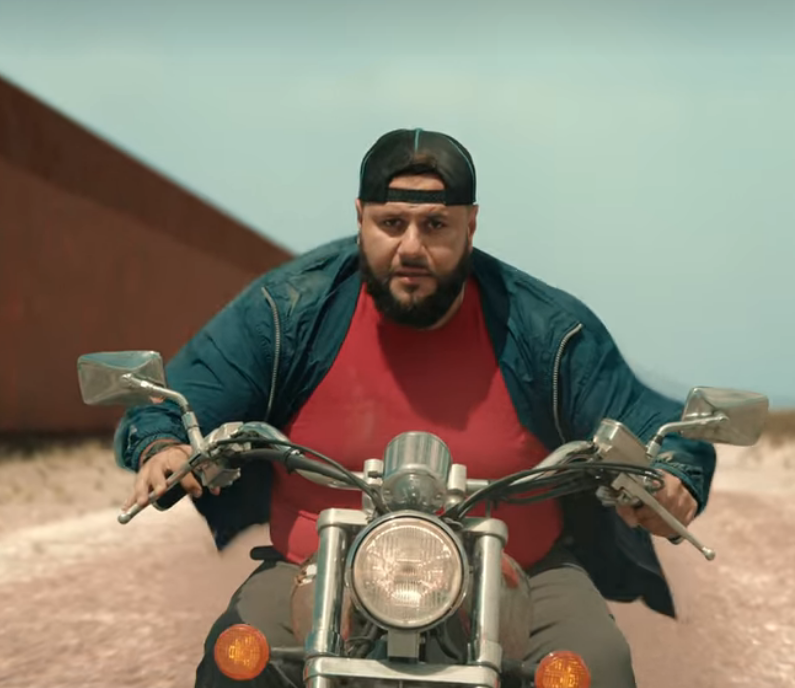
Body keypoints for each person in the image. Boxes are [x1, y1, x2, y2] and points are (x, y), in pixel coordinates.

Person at [112, 128, 717, 687]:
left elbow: (647, 420)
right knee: (237, 662)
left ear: (471, 225)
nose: (411, 246)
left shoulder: (546, 328)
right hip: (318, 567)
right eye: (391, 222)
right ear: (360, 217)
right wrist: (164, 444)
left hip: (519, 570)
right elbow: (181, 394)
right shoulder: (287, 310)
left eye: (435, 225)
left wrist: (671, 476)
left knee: (596, 668)